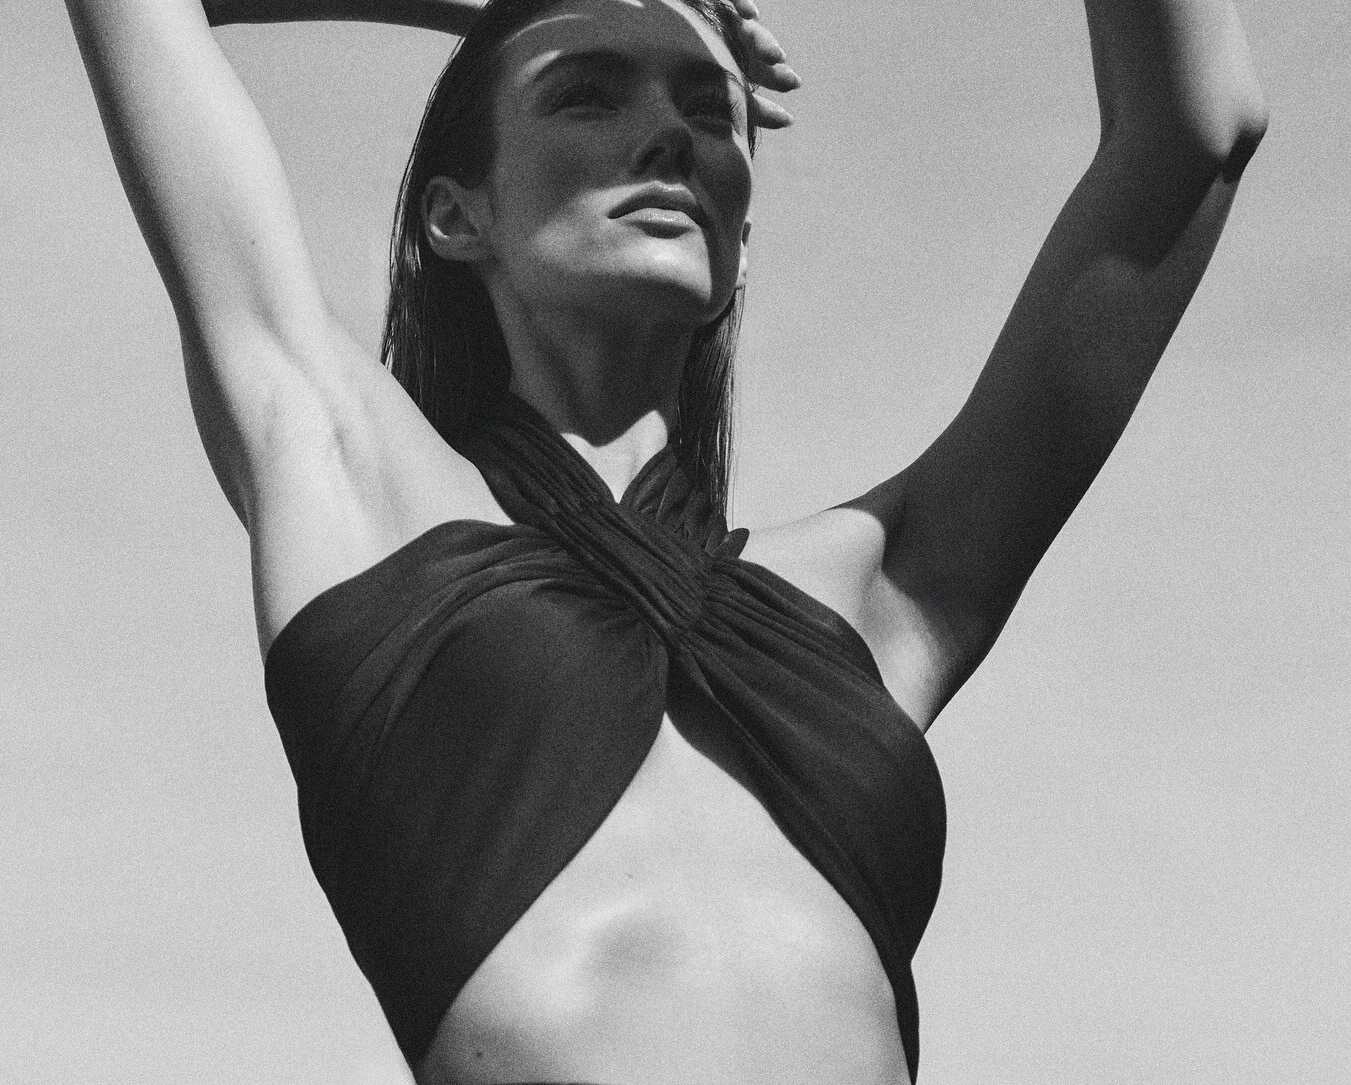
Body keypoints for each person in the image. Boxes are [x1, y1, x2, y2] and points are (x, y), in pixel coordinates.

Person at [62, 0, 1267, 1082]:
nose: (671, 137)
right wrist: (505, 7)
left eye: (707, 109)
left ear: (741, 238)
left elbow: (1196, 132)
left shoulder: (877, 592)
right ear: (457, 215)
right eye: (589, 94)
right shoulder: (349, 484)